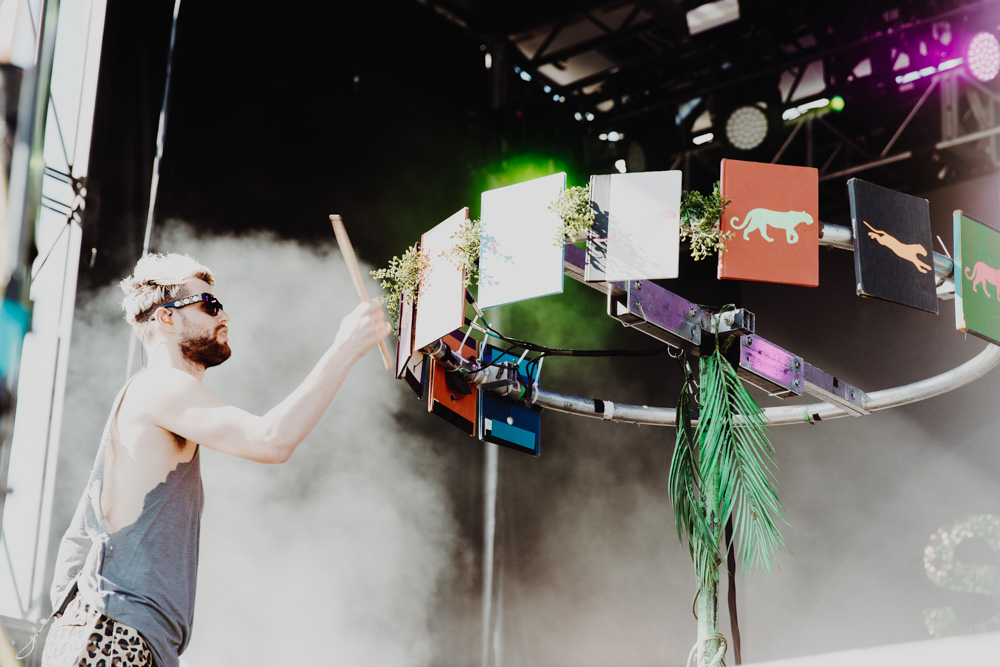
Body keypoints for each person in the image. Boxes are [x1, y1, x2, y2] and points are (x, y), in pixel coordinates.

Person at [40, 252, 391, 667]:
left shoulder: (156, 393)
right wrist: (344, 349)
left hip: (120, 630)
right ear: (166, 319)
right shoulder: (161, 386)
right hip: (115, 630)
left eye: (220, 304)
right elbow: (272, 440)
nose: (223, 315)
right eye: (209, 305)